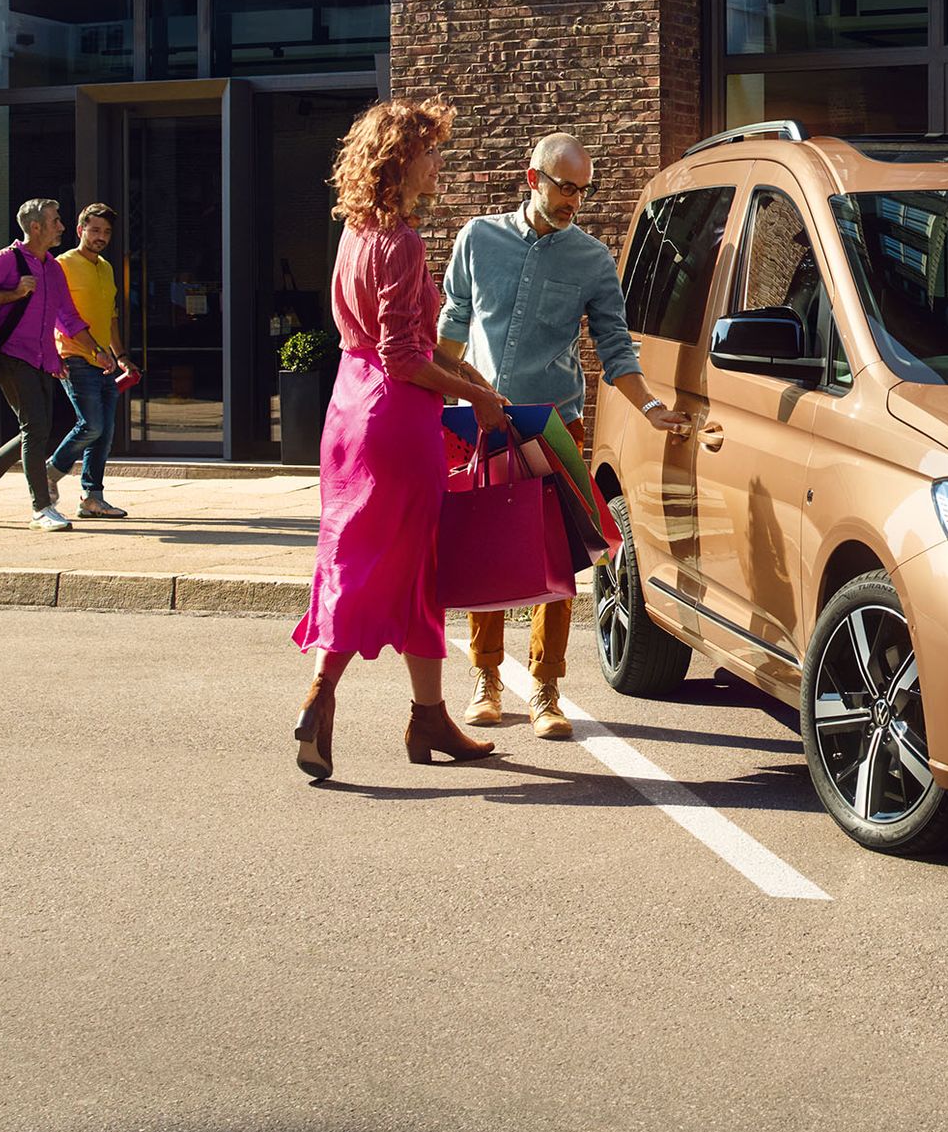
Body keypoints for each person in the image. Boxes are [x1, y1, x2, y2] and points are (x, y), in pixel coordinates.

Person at [433, 131, 689, 735]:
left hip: (555, 425)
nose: (575, 199)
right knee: (486, 550)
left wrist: (650, 408)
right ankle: (487, 678)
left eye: (583, 189)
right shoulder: (478, 239)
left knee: (556, 558)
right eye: (566, 187)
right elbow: (451, 328)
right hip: (486, 422)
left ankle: (546, 690)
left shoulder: (592, 260)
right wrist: (444, 400)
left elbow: (616, 350)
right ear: (534, 179)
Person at [291, 98, 515, 777]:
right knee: (397, 568)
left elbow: (389, 344)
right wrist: (477, 395)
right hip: (395, 420)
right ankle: (323, 695)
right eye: (430, 151)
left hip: (349, 411)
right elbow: (403, 357)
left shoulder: (355, 234)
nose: (437, 162)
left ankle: (427, 719)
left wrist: (469, 372)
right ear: (401, 161)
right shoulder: (403, 241)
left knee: (387, 565)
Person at [0, 197, 89, 533]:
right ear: (36, 227)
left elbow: (66, 317)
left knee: (37, 428)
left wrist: (95, 352)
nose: (61, 226)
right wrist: (12, 294)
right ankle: (41, 508)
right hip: (12, 355)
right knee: (36, 428)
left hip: (43, 359)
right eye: (56, 221)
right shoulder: (7, 260)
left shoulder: (53, 268)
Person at [46, 201, 131, 520]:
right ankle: (50, 473)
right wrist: (53, 354)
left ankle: (92, 498)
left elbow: (110, 316)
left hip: (105, 361)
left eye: (106, 232)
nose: (101, 236)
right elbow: (55, 314)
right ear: (80, 230)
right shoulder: (62, 264)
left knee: (105, 432)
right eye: (94, 230)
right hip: (75, 356)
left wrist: (120, 355)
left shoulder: (106, 267)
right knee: (91, 425)